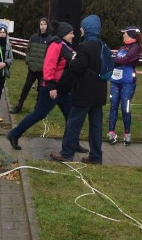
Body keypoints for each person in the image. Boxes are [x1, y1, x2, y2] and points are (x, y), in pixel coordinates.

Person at [6, 21, 79, 151]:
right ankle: (14, 134)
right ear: (63, 34)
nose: (73, 36)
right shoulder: (56, 46)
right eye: (71, 33)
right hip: (52, 89)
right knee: (39, 114)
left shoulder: (66, 46)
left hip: (62, 90)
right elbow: (48, 67)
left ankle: (73, 143)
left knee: (71, 116)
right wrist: (51, 86)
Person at [51, 15, 108, 164]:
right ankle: (96, 156)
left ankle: (67, 152)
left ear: (88, 28)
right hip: (99, 92)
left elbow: (78, 67)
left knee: (74, 123)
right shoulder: (102, 45)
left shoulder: (85, 46)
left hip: (84, 92)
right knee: (96, 126)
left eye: (82, 27)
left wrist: (73, 60)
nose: (80, 30)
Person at [106, 25, 142, 145]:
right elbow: (117, 61)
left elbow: (123, 60)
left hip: (127, 82)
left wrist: (112, 60)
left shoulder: (136, 47)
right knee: (113, 106)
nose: (123, 35)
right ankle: (111, 132)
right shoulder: (122, 47)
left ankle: (127, 134)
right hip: (115, 81)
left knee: (125, 108)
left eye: (124, 33)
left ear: (130, 34)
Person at [9, 17, 51, 114]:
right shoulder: (33, 37)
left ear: (47, 26)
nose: (43, 26)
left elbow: (50, 55)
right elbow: (28, 50)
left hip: (42, 70)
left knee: (40, 90)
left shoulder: (50, 39)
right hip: (32, 69)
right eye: (41, 24)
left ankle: (37, 108)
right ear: (39, 25)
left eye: (45, 24)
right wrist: (28, 61)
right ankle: (19, 106)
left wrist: (45, 66)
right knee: (26, 87)